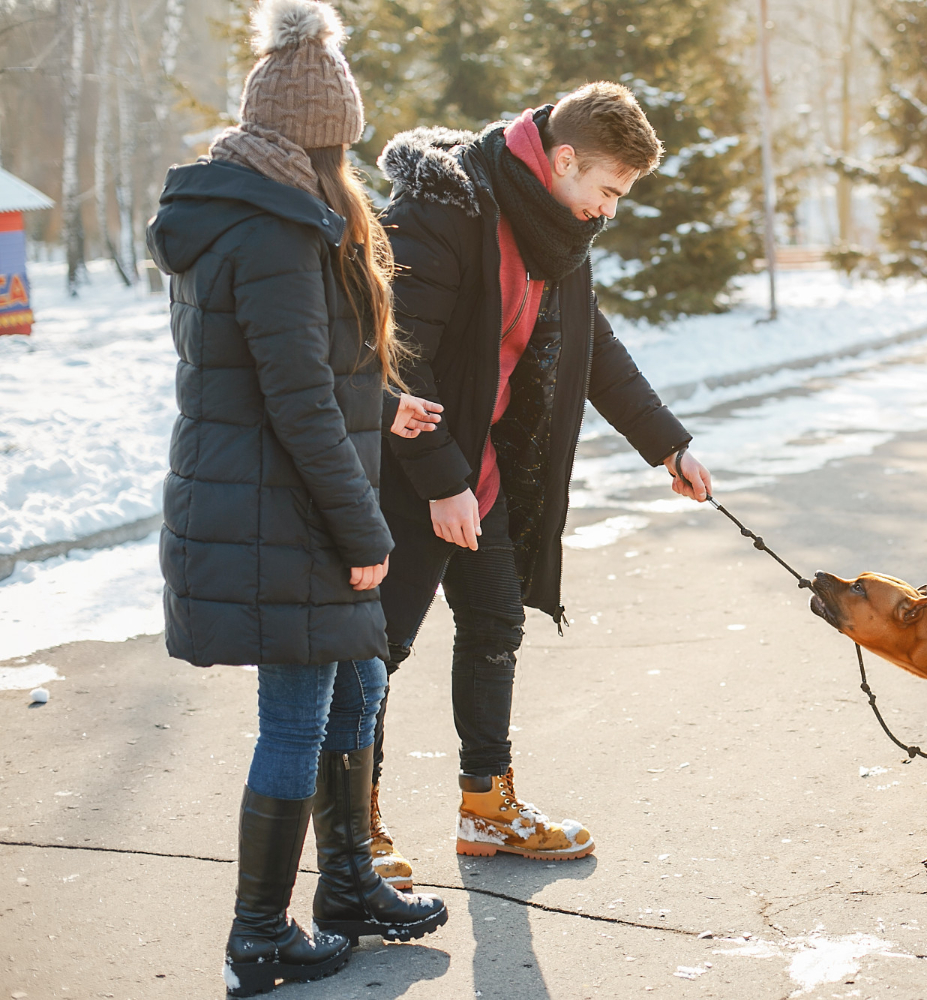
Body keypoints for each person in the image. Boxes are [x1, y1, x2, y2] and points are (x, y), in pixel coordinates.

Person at [145, 1, 447, 993]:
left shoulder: (265, 210)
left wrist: (386, 403)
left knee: (357, 674)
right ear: (321, 140)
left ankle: (349, 884)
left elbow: (308, 367)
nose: (349, 166)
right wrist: (364, 529)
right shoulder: (273, 231)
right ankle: (259, 932)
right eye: (343, 146)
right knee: (297, 713)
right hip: (283, 512)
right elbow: (295, 397)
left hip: (286, 498)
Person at [364, 82, 713, 884]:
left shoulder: (555, 229)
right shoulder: (445, 209)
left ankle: (487, 809)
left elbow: (595, 349)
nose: (609, 210)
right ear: (562, 160)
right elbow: (396, 358)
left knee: (493, 629)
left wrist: (667, 445)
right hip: (403, 468)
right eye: (608, 190)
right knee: (373, 653)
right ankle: (357, 830)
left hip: (482, 470)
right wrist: (441, 480)